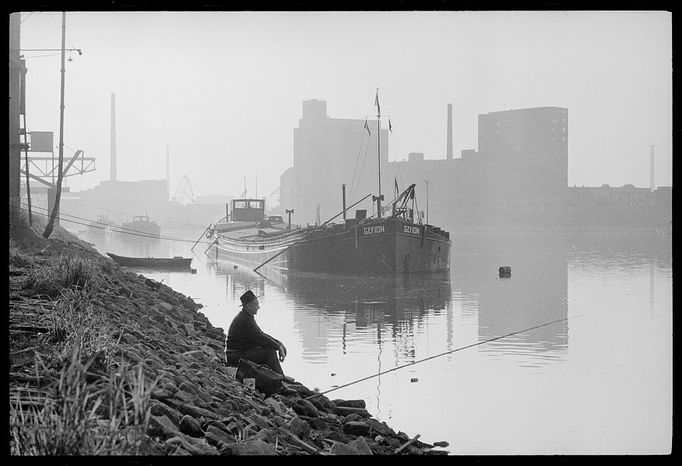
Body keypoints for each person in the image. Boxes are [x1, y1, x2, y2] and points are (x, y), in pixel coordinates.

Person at [224, 290, 288, 376]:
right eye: (256, 305)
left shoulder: (246, 316)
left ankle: (276, 376)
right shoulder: (245, 319)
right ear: (248, 306)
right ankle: (280, 379)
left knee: (267, 348)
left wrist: (278, 343)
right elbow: (260, 337)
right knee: (269, 353)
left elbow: (260, 333)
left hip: (237, 354)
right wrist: (278, 347)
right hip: (235, 356)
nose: (258, 307)